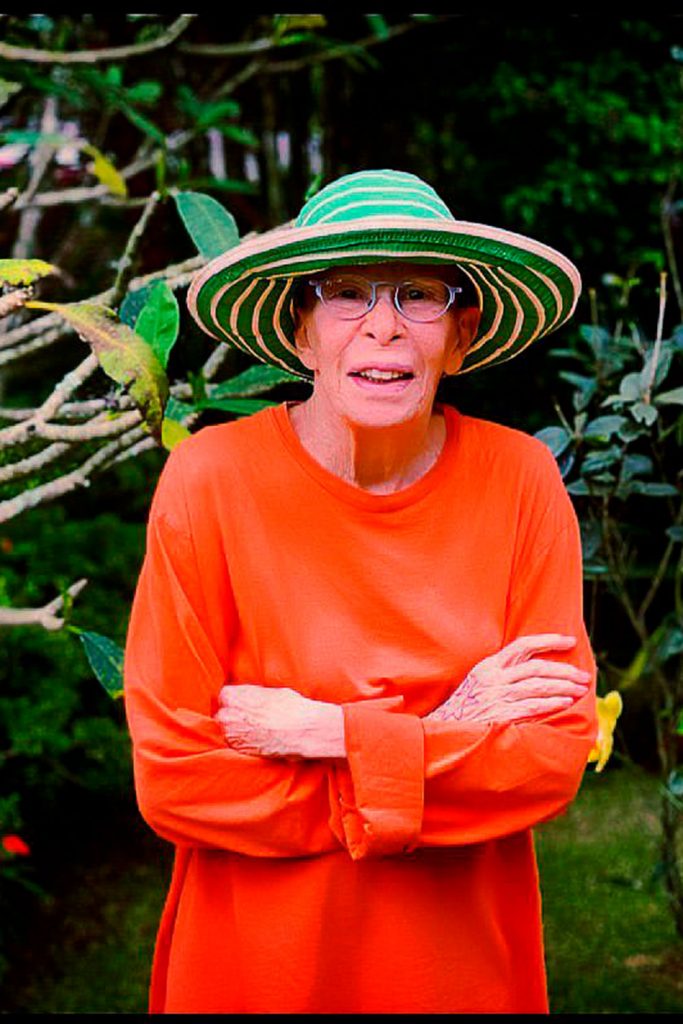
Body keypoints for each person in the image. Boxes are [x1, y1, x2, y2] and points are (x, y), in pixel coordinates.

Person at [124, 168, 597, 1014]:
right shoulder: (210, 480)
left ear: (460, 335)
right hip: (256, 972)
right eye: (345, 293)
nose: (382, 325)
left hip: (454, 970)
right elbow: (176, 780)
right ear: (300, 331)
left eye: (418, 294)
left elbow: (547, 761)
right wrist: (440, 734)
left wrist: (323, 732)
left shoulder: (521, 480)